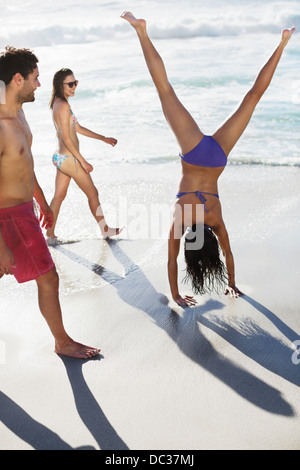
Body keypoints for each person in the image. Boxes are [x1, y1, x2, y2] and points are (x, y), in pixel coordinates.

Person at [121, 12, 295, 307]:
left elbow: (228, 253)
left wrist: (233, 284)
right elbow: (171, 260)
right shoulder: (181, 220)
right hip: (193, 153)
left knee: (252, 97)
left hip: (216, 158)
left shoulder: (214, 219)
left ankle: (283, 43)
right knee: (165, 90)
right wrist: (174, 294)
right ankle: (141, 31)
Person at [0, 46, 100, 359]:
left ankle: (61, 341)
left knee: (46, 278)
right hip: (8, 217)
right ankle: (62, 342)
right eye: (35, 78)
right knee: (49, 277)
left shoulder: (19, 113)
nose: (39, 85)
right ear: (18, 79)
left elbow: (23, 165)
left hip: (24, 211)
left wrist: (41, 202)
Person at [46, 68, 122, 242]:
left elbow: (77, 128)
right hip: (70, 159)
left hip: (60, 157)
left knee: (59, 196)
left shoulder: (58, 103)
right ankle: (105, 230)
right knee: (93, 193)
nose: (74, 87)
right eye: (70, 84)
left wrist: (103, 138)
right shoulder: (63, 106)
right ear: (60, 85)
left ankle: (49, 235)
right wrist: (83, 161)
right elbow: (67, 137)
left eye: (76, 83)